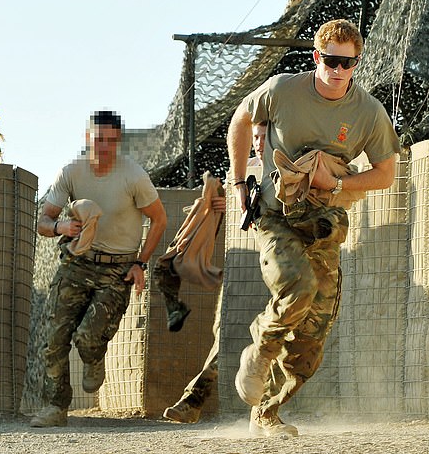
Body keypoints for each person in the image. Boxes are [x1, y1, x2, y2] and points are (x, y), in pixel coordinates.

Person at [227, 19, 400, 437]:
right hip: (274, 216)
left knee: (314, 330)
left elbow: (385, 174)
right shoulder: (284, 89)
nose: (338, 70)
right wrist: (237, 182)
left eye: (348, 63)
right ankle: (259, 352)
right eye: (331, 60)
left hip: (324, 223)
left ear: (356, 64)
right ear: (316, 56)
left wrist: (337, 183)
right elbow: (240, 120)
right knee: (296, 287)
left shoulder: (368, 112)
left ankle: (267, 411)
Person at [30, 110, 167, 428]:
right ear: (87, 138)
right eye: (97, 138)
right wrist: (61, 225)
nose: (102, 145)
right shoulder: (71, 172)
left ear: (117, 141)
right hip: (77, 264)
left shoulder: (133, 176)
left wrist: (140, 263)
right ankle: (55, 407)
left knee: (89, 337)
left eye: (109, 140)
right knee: (54, 338)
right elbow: (43, 221)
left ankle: (94, 357)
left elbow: (159, 219)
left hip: (115, 270)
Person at [163, 122, 266, 424]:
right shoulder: (241, 174)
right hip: (241, 272)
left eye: (263, 137)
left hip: (278, 272)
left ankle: (259, 411)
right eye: (255, 137)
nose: (258, 143)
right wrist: (221, 206)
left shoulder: (285, 167)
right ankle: (193, 402)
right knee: (225, 336)